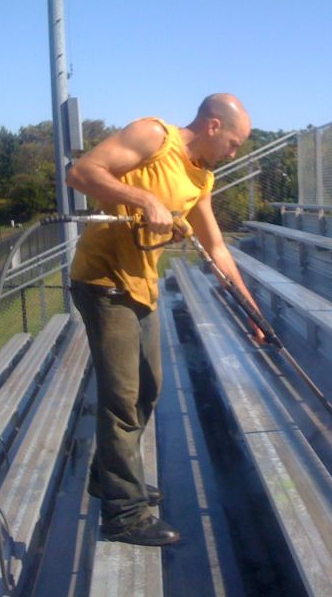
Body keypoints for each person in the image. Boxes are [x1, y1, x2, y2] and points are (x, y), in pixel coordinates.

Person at [67, 93, 265, 546]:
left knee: (148, 388)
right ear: (213, 126)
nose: (233, 153)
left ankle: (109, 476)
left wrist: (250, 308)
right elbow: (81, 172)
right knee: (122, 398)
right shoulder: (153, 136)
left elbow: (216, 248)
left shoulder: (201, 177)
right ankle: (124, 515)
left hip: (141, 286)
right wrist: (144, 199)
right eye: (233, 143)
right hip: (103, 281)